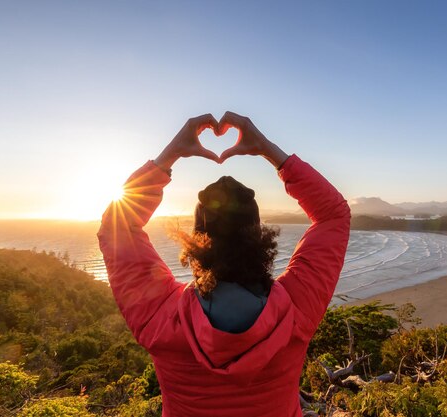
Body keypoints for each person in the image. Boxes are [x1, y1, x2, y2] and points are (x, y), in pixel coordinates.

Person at [97, 111, 351, 417]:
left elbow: (117, 224)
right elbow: (333, 215)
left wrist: (171, 154)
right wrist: (269, 150)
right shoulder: (294, 311)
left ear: (196, 240)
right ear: (260, 237)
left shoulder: (161, 319)